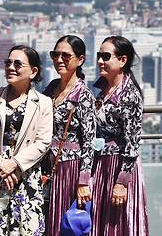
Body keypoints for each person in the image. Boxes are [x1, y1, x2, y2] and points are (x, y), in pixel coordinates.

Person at [0, 45, 53, 236]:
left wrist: (15, 164)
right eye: (8, 63)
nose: (11, 67)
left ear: (33, 71)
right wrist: (1, 165)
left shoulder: (43, 102)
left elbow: (43, 142)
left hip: (26, 176)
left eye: (18, 64)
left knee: (25, 228)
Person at [91, 36, 149, 236]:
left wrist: (122, 182)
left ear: (122, 60)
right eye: (99, 55)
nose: (100, 61)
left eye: (106, 56)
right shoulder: (102, 88)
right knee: (101, 221)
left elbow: (133, 143)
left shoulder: (129, 95)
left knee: (119, 223)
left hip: (118, 167)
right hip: (101, 164)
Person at [43, 35, 95, 236]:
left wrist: (83, 180)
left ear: (80, 60)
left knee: (65, 223)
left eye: (66, 55)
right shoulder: (51, 88)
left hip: (70, 169)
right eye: (55, 55)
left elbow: (90, 141)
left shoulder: (83, 95)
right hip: (48, 167)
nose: (59, 60)